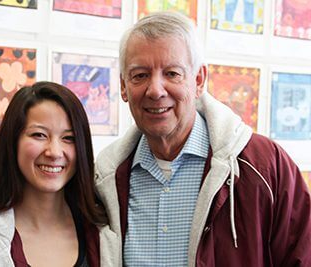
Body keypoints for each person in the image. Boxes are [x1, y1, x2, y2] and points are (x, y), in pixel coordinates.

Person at [91, 12, 311, 266]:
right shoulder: (105, 179)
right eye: (140, 75)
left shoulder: (264, 166)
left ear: (199, 80)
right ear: (123, 87)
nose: (155, 90)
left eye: (172, 73)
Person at [0, 81, 109, 267]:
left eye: (68, 138)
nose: (55, 152)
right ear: (13, 142)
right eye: (39, 135)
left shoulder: (102, 235)